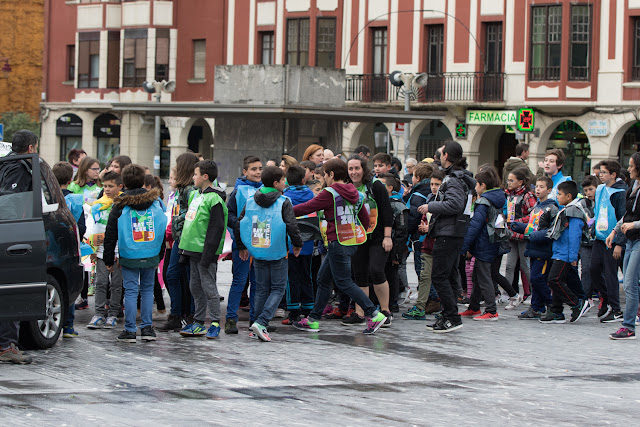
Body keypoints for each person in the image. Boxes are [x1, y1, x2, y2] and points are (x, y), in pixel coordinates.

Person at [291, 159, 387, 334]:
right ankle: (313, 319)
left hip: (337, 242)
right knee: (323, 279)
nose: (324, 178)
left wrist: (286, 209)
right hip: (350, 241)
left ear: (332, 175)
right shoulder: (355, 192)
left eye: (325, 174)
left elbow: (308, 207)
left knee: (344, 281)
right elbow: (364, 218)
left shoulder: (330, 193)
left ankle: (374, 313)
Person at [237, 166, 303, 341]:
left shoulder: (251, 200)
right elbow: (292, 225)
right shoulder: (283, 201)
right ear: (276, 183)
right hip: (278, 250)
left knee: (261, 289)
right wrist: (297, 243)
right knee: (278, 288)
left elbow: (240, 223)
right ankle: (262, 321)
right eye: (283, 180)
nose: (286, 182)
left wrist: (242, 245)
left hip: (257, 249)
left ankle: (255, 326)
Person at [103, 164, 168, 342]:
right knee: (147, 290)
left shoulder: (120, 204)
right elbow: (162, 228)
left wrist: (108, 258)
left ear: (123, 183)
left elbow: (110, 234)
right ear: (143, 180)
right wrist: (159, 253)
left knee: (131, 290)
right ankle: (147, 328)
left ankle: (130, 329)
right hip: (150, 252)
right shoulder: (156, 202)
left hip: (129, 253)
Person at [418, 141, 476, 333]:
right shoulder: (458, 177)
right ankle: (447, 314)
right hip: (452, 232)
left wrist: (430, 207)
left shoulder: (453, 179)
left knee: (439, 275)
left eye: (441, 153)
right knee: (449, 275)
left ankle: (451, 316)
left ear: (446, 157)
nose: (439, 155)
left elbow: (454, 205)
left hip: (448, 233)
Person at [0, 130, 39, 364]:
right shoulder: (18, 168)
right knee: (12, 292)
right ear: (32, 148)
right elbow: (10, 202)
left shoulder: (6, 163)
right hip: (11, 237)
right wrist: (15, 231)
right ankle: (6, 346)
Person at [178, 160, 227, 339]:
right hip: (192, 251)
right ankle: (198, 322)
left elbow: (216, 229)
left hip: (205, 252)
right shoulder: (195, 196)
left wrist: (208, 254)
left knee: (209, 288)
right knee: (195, 287)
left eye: (195, 174)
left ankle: (214, 323)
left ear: (205, 177)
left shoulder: (215, 199)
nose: (193, 177)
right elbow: (190, 225)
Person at [344, 155, 394, 326]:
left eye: (356, 168)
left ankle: (385, 310)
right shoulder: (347, 187)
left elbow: (387, 212)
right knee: (360, 275)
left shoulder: (376, 186)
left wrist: (388, 237)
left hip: (378, 237)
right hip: (357, 237)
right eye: (350, 169)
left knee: (376, 270)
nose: (353, 172)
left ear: (363, 169)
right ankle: (360, 313)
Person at [158, 153, 200, 331]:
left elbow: (191, 215)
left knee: (183, 276)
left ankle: (188, 314)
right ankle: (178, 313)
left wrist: (175, 223)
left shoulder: (190, 190)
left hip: (186, 239)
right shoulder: (182, 189)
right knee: (174, 274)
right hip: (179, 238)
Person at [458, 169, 506, 321]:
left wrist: (464, 246)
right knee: (477, 276)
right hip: (492, 241)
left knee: (484, 276)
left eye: (477, 184)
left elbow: (475, 226)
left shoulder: (483, 202)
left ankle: (491, 310)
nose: (475, 187)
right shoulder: (497, 199)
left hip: (483, 243)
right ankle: (474, 307)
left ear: (483, 185)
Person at [540, 181, 590, 324]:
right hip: (559, 252)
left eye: (560, 194)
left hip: (565, 254)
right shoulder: (566, 209)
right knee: (559, 281)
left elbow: (575, 235)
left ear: (568, 196)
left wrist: (573, 256)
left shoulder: (573, 211)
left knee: (554, 280)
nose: (557, 196)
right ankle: (556, 311)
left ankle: (576, 304)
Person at [511, 176, 559, 319]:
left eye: (542, 187)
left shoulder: (552, 208)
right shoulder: (536, 207)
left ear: (549, 190)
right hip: (533, 247)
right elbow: (533, 227)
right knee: (534, 279)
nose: (538, 189)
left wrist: (535, 235)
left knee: (538, 278)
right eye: (537, 186)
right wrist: (520, 227)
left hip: (543, 249)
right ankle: (536, 307)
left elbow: (552, 230)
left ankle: (551, 303)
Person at [225, 155, 263, 334]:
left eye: (260, 169)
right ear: (245, 171)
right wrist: (241, 230)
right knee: (239, 281)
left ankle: (255, 320)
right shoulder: (237, 191)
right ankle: (231, 320)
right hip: (241, 244)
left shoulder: (265, 189)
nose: (257, 172)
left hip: (262, 243)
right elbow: (229, 215)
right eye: (253, 169)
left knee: (258, 282)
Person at [403, 168, 444, 320]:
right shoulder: (428, 197)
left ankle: (436, 302)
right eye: (432, 184)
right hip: (425, 241)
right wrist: (423, 226)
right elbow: (423, 217)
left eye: (437, 184)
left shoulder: (443, 201)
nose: (434, 187)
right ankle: (422, 305)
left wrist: (428, 228)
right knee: (424, 274)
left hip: (436, 243)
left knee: (435, 275)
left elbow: (442, 222)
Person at [607, 152, 640, 340]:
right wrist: (615, 230)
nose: (628, 169)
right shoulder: (633, 187)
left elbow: (633, 220)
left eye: (631, 165)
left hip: (638, 239)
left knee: (629, 283)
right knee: (630, 284)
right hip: (631, 239)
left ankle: (628, 326)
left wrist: (634, 225)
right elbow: (627, 215)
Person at [53, 161, 87, 338]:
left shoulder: (47, 198)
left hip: (52, 247)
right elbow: (81, 226)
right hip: (71, 248)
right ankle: (68, 326)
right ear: (71, 178)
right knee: (70, 286)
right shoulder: (75, 199)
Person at [591, 160, 627, 323]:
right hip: (599, 236)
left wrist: (619, 241)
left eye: (604, 172)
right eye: (600, 172)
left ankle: (616, 309)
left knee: (611, 273)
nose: (600, 174)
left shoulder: (620, 192)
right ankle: (605, 298)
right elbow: (598, 210)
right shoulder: (599, 189)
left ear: (613, 175)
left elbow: (623, 217)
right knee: (593, 269)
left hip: (611, 239)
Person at [87, 171, 124, 329]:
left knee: (116, 284)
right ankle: (99, 313)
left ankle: (114, 313)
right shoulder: (98, 205)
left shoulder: (122, 204)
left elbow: (122, 231)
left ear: (120, 186)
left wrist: (119, 250)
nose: (107, 189)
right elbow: (94, 228)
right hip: (101, 251)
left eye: (111, 186)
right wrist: (93, 248)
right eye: (105, 186)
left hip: (118, 252)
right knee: (100, 283)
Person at [282, 166, 316, 324]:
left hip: (290, 243)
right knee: (307, 276)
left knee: (292, 278)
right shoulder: (311, 194)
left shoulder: (285, 197)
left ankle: (293, 312)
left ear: (287, 180)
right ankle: (309, 309)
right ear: (304, 179)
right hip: (308, 243)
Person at [503, 168, 536, 307]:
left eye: (512, 180)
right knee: (509, 266)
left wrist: (519, 222)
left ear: (520, 182)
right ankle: (508, 294)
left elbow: (533, 214)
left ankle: (534, 293)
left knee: (525, 265)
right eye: (508, 180)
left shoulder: (528, 196)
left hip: (522, 235)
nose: (509, 183)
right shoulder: (508, 195)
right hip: (511, 235)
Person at [378, 173, 408, 314]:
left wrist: (397, 253)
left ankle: (392, 302)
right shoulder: (378, 202)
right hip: (380, 246)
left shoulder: (398, 205)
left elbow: (402, 231)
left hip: (393, 247)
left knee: (392, 275)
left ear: (390, 188)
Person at [579, 175, 598, 299]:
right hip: (585, 241)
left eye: (591, 189)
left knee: (597, 269)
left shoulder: (602, 201)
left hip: (599, 240)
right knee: (585, 269)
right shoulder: (581, 204)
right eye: (586, 190)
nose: (588, 193)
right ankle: (585, 296)